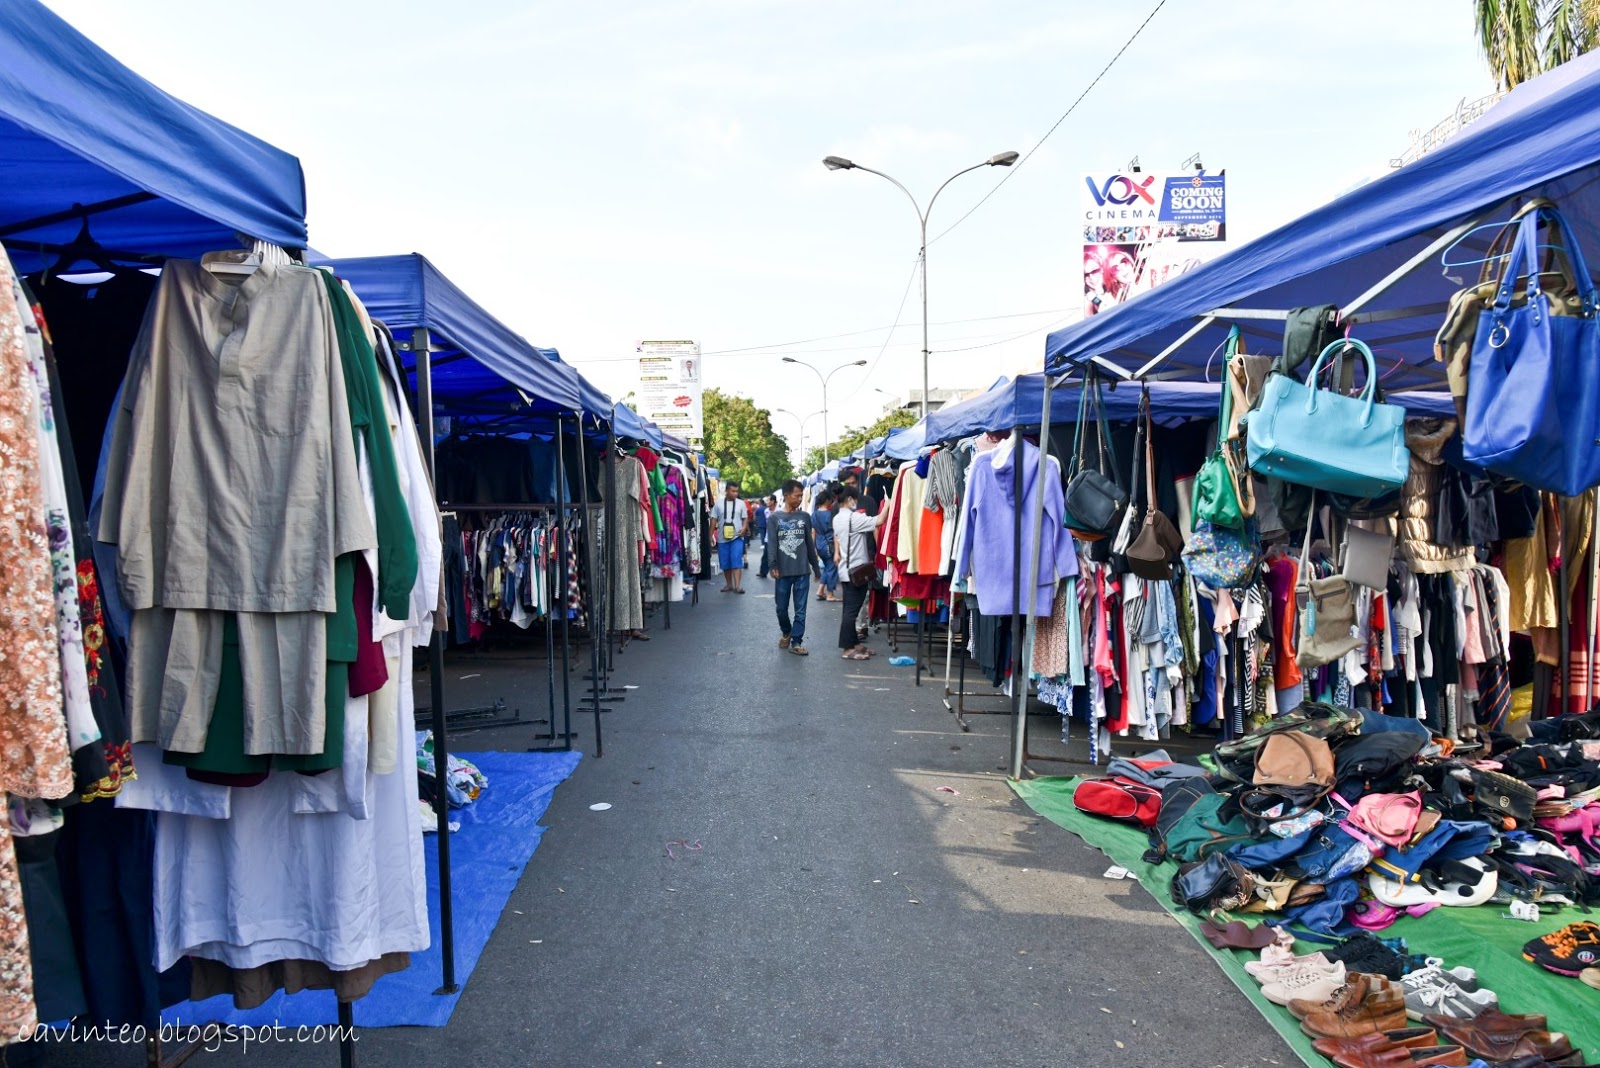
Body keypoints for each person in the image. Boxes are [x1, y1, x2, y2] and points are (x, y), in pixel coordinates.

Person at [833, 485, 887, 660]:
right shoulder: (854, 518)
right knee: (851, 612)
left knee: (849, 609)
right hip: (857, 570)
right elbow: (879, 521)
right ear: (850, 500)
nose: (856, 502)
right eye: (854, 499)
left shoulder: (837, 518)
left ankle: (854, 644)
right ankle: (847, 649)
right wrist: (888, 503)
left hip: (846, 570)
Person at [766, 479, 820, 656]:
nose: (799, 499)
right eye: (797, 496)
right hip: (782, 572)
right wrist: (772, 565)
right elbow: (772, 544)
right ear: (786, 495)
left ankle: (797, 641)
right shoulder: (774, 518)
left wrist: (816, 568)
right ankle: (787, 631)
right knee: (781, 608)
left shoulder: (805, 517)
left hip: (802, 571)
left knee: (801, 610)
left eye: (801, 496)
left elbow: (809, 545)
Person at [716, 481, 750, 594]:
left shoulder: (741, 503)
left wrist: (744, 527)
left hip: (737, 537)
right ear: (726, 491)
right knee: (725, 563)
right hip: (722, 538)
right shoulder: (718, 504)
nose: (735, 493)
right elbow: (713, 520)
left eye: (737, 491)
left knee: (736, 561)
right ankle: (729, 585)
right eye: (733, 491)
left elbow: (745, 518)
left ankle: (737, 586)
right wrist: (710, 535)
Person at [811, 489, 839, 601]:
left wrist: (813, 547)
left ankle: (821, 590)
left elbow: (813, 531)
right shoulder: (830, 514)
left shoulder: (814, 514)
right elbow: (836, 532)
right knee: (831, 568)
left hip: (819, 544)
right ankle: (830, 594)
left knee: (828, 567)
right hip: (830, 544)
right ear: (827, 500)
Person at [752, 495, 770, 576]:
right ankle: (763, 572)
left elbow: (755, 517)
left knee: (766, 556)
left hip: (762, 526)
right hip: (768, 533)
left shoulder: (759, 509)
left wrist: (755, 522)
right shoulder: (766, 510)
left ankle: (763, 572)